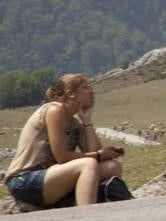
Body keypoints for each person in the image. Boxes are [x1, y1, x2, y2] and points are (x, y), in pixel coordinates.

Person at [3, 74, 125, 209]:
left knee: (112, 166)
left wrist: (87, 121)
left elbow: (94, 152)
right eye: (86, 87)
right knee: (88, 164)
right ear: (71, 93)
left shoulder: (74, 122)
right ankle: (87, 215)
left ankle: (81, 203)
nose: (92, 91)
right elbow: (62, 157)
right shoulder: (54, 110)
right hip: (24, 179)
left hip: (51, 178)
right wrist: (99, 155)